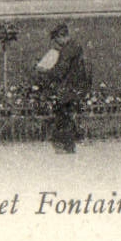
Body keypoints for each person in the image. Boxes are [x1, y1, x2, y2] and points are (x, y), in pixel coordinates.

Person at [34, 22, 91, 152]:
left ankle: (67, 146)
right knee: (67, 115)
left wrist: (44, 71)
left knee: (63, 115)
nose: (56, 43)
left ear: (61, 36)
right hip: (76, 86)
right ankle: (69, 144)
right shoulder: (75, 46)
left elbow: (60, 71)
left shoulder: (67, 50)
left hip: (68, 87)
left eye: (56, 40)